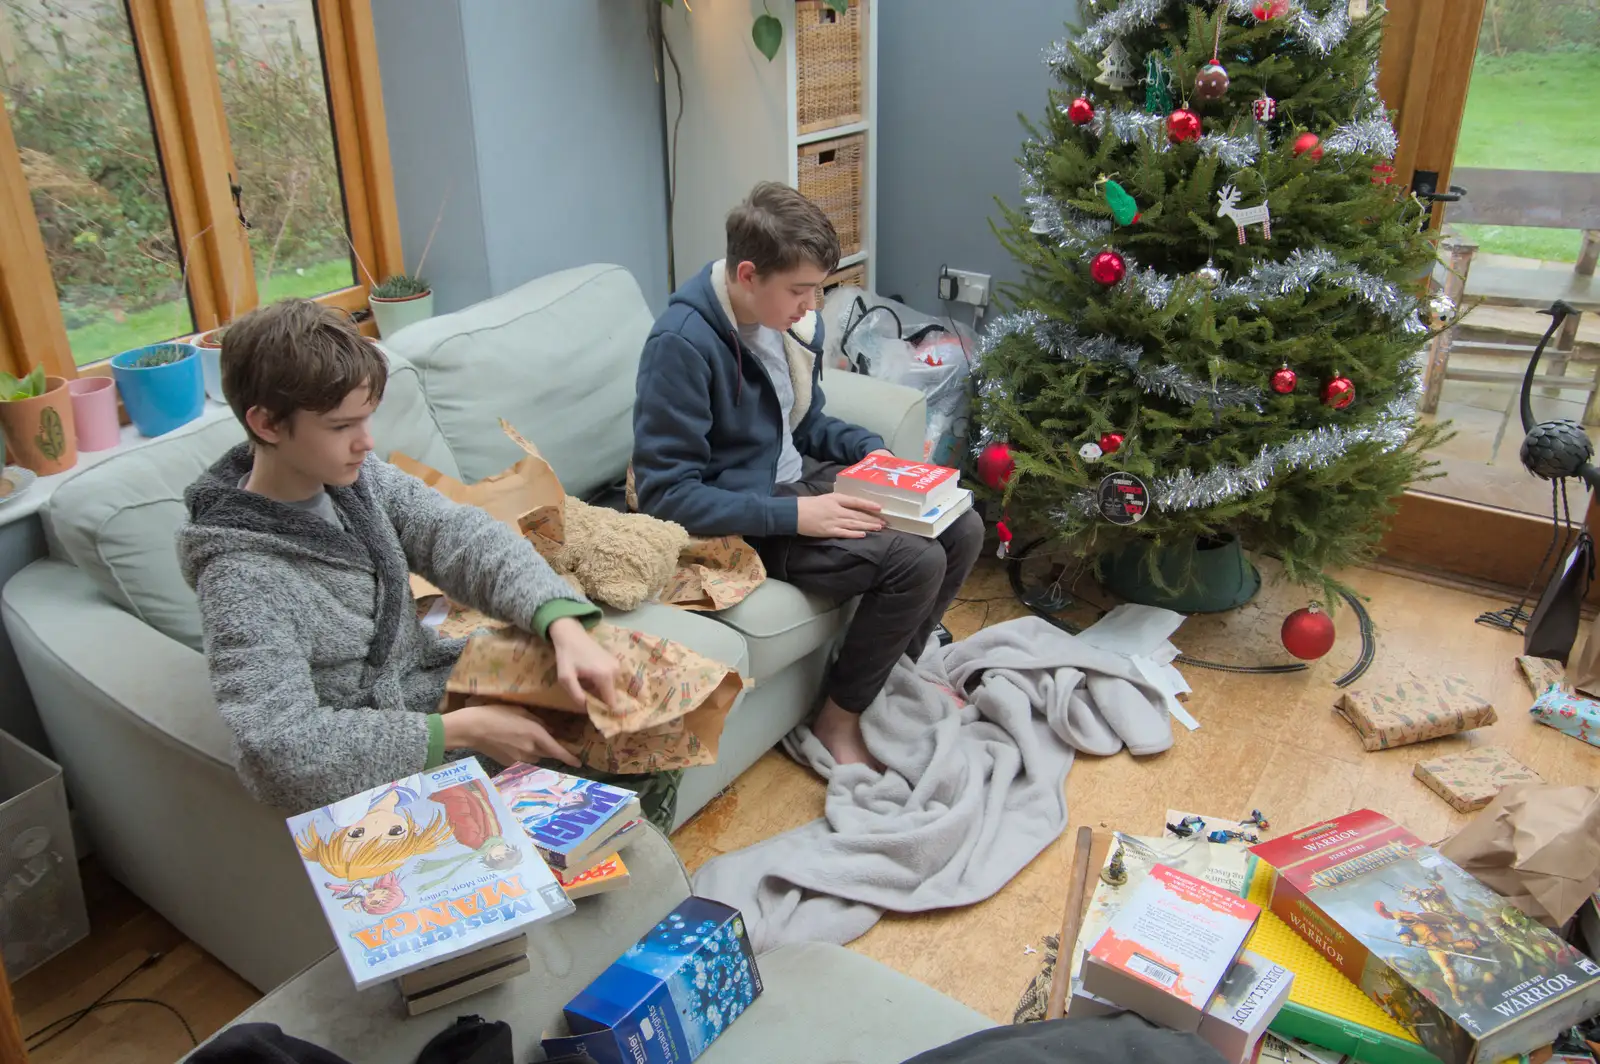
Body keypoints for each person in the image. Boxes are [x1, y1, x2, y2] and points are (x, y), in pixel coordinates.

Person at [178, 299, 622, 814]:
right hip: (373, 768)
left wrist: (560, 623)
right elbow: (278, 750)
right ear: (268, 424)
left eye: (367, 419)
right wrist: (460, 730)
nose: (367, 443)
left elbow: (461, 537)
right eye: (341, 427)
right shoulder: (240, 579)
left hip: (433, 693)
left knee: (625, 688)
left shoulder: (358, 483)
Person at [631, 182, 984, 769]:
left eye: (816, 290)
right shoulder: (682, 346)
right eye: (800, 291)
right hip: (746, 516)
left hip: (795, 482)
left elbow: (804, 419)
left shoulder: (776, 325)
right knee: (914, 560)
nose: (811, 307)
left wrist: (874, 454)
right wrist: (797, 515)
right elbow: (666, 494)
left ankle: (889, 679)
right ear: (748, 274)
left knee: (961, 527)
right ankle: (836, 722)